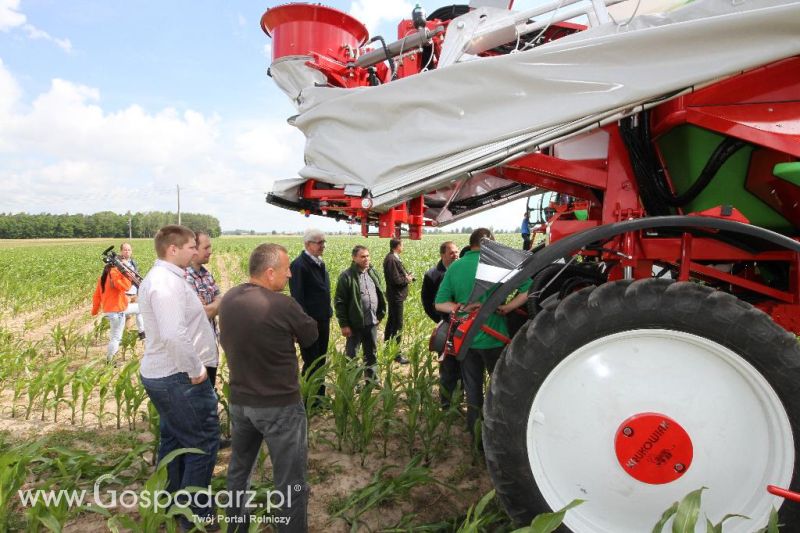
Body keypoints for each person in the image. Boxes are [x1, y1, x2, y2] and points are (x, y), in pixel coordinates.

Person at [220, 243, 317, 533]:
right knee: (290, 481)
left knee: (239, 471)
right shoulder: (283, 304)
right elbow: (311, 335)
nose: (290, 275)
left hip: (240, 403)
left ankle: (237, 527)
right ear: (270, 271)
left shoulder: (230, 298)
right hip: (280, 406)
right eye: (287, 269)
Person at [138, 225, 219, 529]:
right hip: (178, 377)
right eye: (189, 248)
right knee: (202, 443)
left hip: (171, 375)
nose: (195, 252)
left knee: (175, 440)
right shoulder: (164, 284)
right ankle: (194, 517)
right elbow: (173, 334)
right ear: (173, 249)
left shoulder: (169, 279)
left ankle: (171, 502)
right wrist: (196, 369)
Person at [435, 228, 530, 436]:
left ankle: (476, 437)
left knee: (473, 391)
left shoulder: (456, 266)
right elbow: (527, 291)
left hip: (467, 340)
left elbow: (440, 303)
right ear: (490, 244)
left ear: (471, 243)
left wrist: (460, 308)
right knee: (501, 388)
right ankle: (500, 434)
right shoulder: (499, 263)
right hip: (496, 338)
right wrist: (508, 308)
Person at [289, 228, 332, 403]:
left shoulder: (319, 262)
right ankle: (309, 399)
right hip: (310, 323)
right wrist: (305, 323)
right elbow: (298, 298)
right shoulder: (299, 265)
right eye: (319, 242)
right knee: (312, 361)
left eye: (324, 242)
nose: (323, 245)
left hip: (322, 319)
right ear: (308, 244)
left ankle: (319, 397)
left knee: (321, 359)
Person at [334, 245, 386, 383]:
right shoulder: (347, 276)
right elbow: (340, 302)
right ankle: (353, 382)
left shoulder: (372, 273)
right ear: (354, 258)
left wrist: (379, 314)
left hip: (372, 322)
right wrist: (344, 324)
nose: (366, 259)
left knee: (371, 353)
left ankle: (372, 380)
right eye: (362, 256)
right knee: (352, 355)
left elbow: (379, 293)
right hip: (354, 323)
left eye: (368, 256)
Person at [421, 241, 461, 408]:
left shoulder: (461, 271)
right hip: (445, 325)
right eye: (451, 252)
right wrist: (441, 320)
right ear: (442, 255)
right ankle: (446, 403)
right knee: (447, 367)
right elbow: (427, 302)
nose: (456, 255)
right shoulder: (432, 275)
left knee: (462, 364)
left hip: (462, 325)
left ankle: (459, 398)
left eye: (457, 251)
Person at [185, 231, 222, 386]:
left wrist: (211, 305)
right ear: (194, 249)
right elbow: (202, 313)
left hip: (210, 348)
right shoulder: (184, 277)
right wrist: (214, 305)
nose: (210, 251)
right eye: (206, 247)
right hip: (195, 353)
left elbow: (221, 299)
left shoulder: (206, 274)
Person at [91, 262, 133, 363]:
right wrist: (127, 276)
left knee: (140, 309)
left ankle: (142, 332)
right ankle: (110, 361)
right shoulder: (114, 274)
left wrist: (95, 310)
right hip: (117, 311)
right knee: (115, 338)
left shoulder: (102, 279)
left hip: (111, 310)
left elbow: (96, 296)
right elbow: (126, 286)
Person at [382, 238, 413, 365]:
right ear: (397, 246)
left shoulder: (393, 257)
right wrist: (408, 279)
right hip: (396, 296)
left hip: (395, 296)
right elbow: (396, 280)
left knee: (392, 323)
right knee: (397, 325)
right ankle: (396, 354)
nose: (403, 247)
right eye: (402, 245)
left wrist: (406, 276)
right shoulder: (391, 259)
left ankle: (388, 349)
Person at [119, 242, 145, 340]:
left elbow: (136, 276)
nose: (127, 252)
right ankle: (124, 335)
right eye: (125, 250)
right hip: (125, 293)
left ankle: (141, 333)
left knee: (139, 312)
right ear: (121, 251)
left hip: (134, 292)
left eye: (129, 250)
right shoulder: (118, 263)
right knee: (127, 315)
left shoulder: (133, 262)